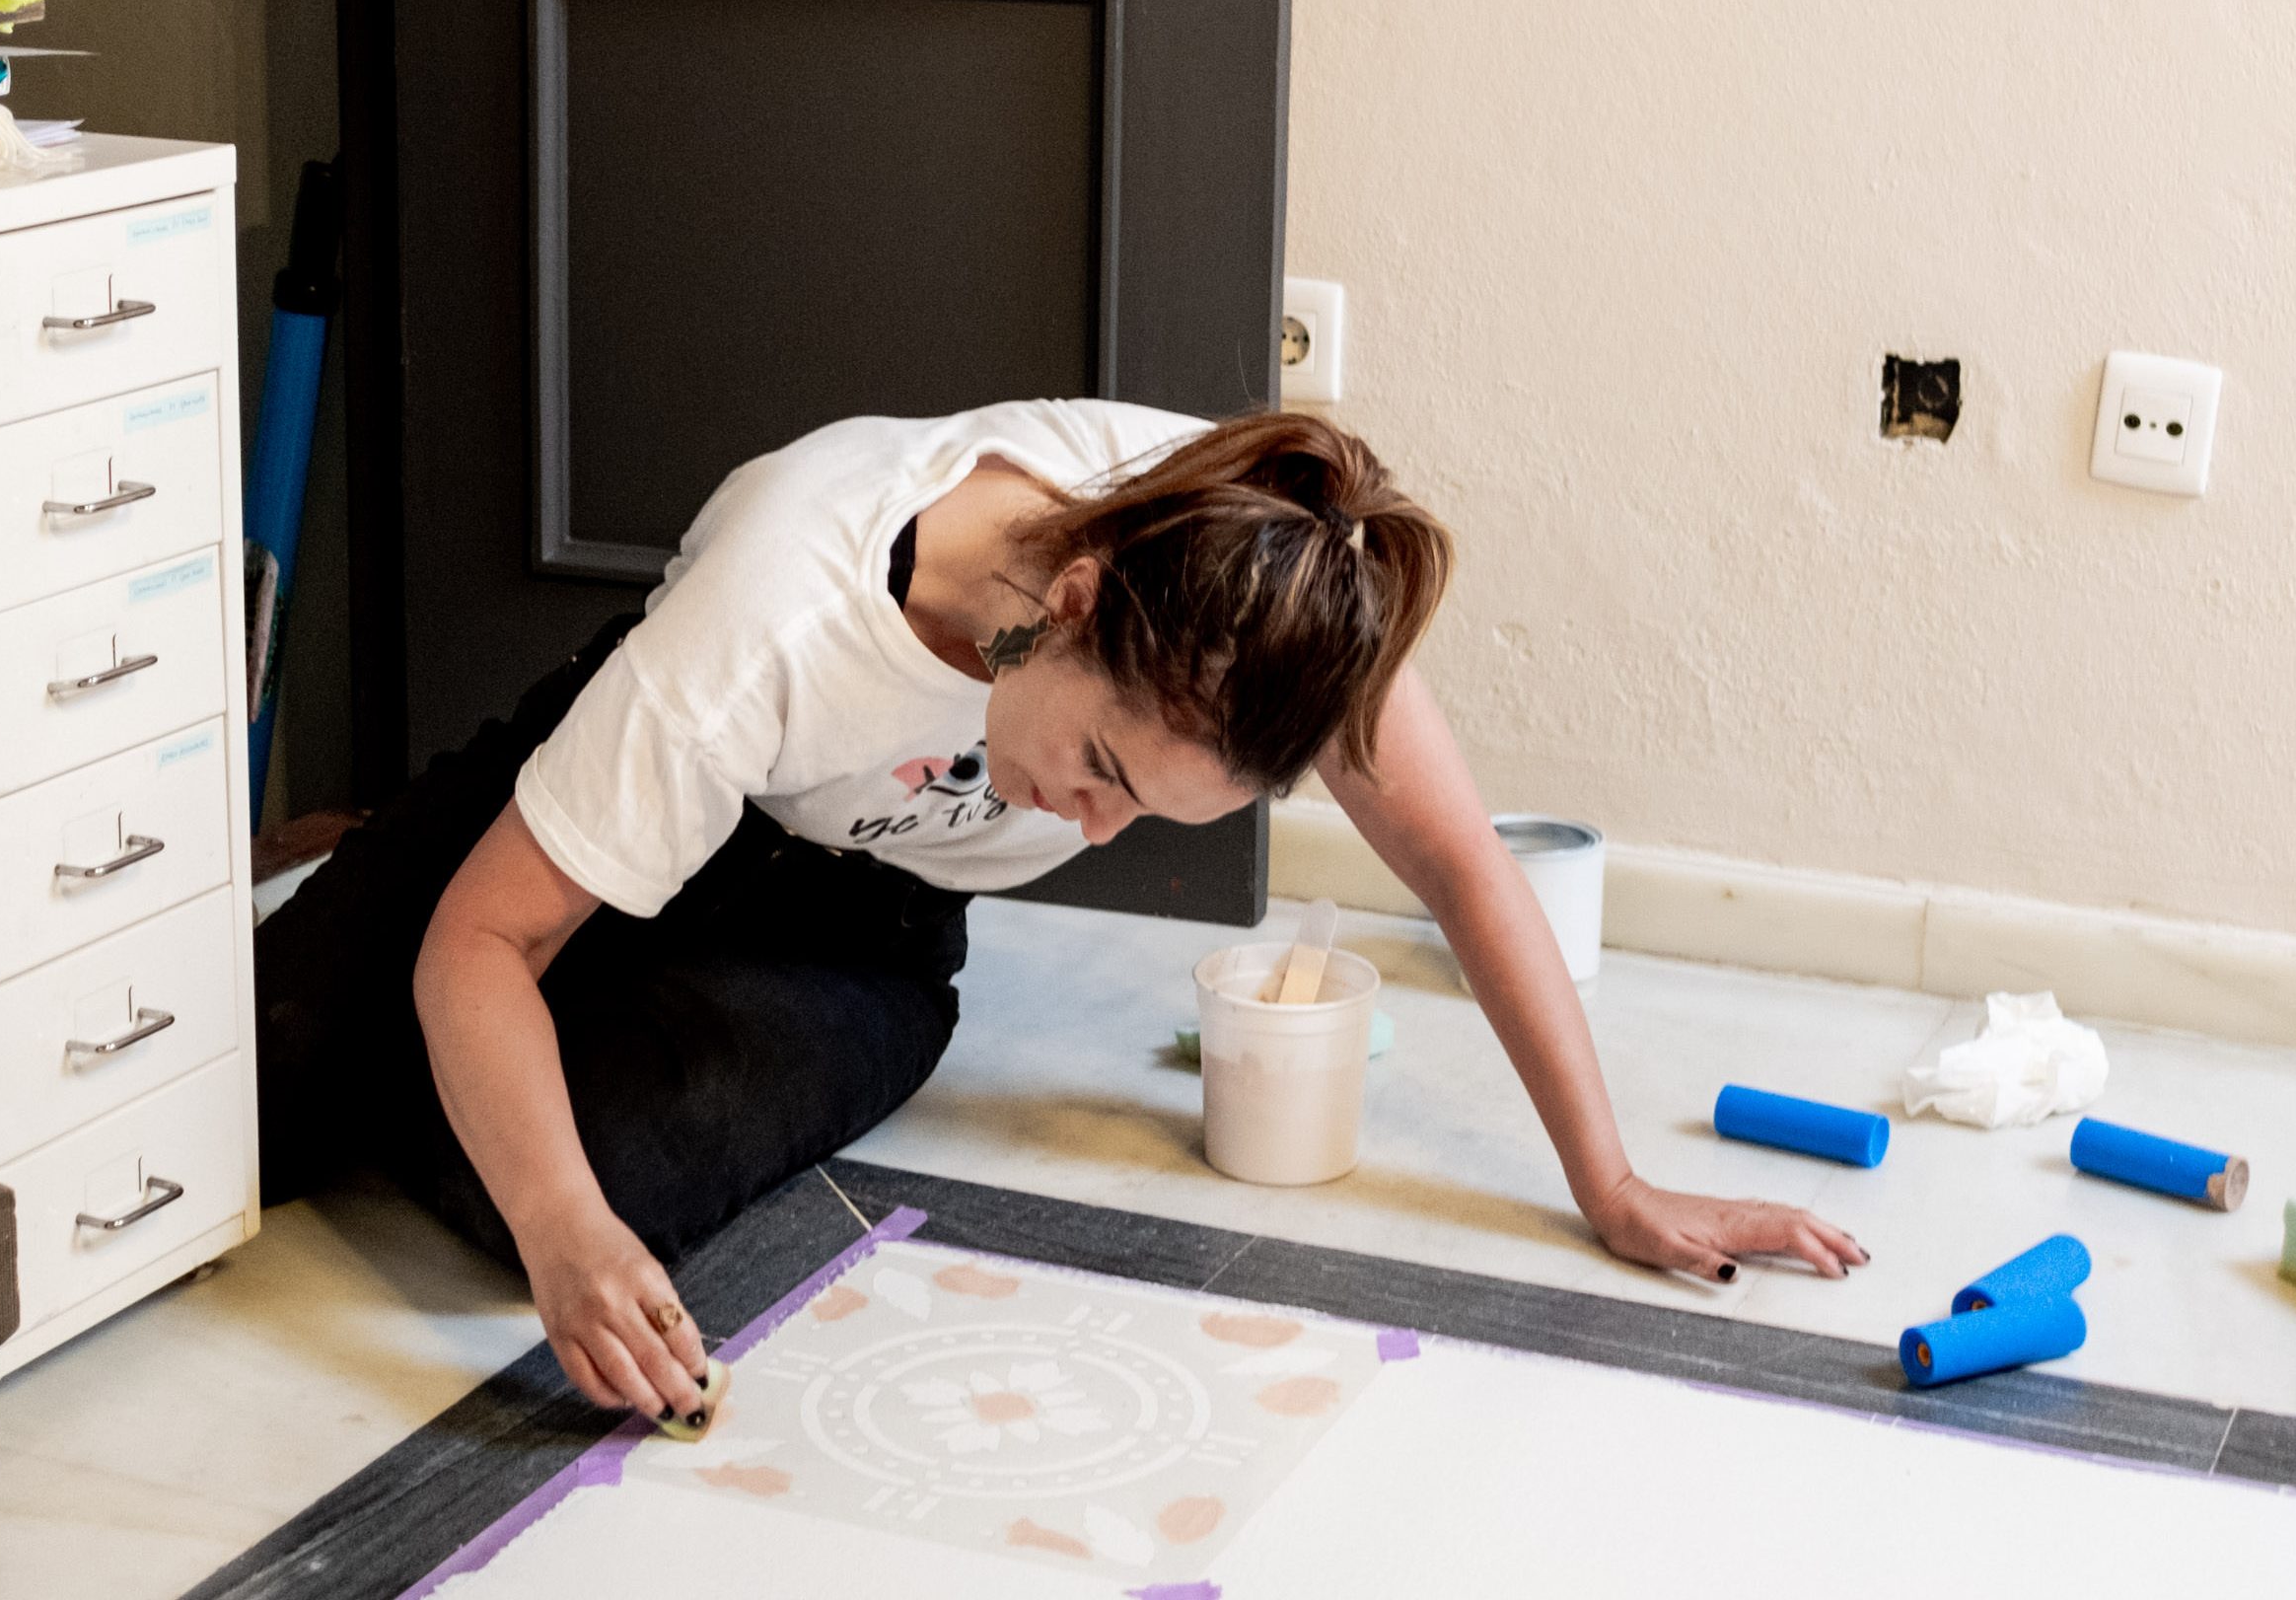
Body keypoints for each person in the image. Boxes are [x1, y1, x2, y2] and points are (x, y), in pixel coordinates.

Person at [255, 399, 1864, 1429]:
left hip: (857, 930)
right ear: (1074, 602)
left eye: (1144, 812)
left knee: (590, 1181)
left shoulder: (1274, 596)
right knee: (271, 1053)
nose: (1089, 829)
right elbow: (485, 940)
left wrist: (1612, 1183)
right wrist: (556, 1212)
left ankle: (480, 1037)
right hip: (685, 783)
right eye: (1100, 767)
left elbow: (1458, 865)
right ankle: (410, 920)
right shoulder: (775, 613)